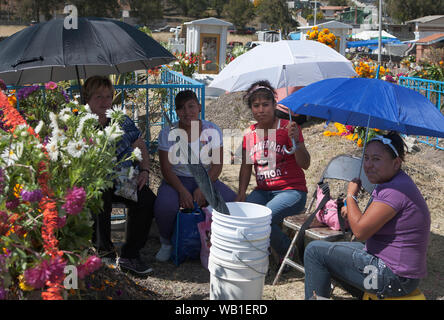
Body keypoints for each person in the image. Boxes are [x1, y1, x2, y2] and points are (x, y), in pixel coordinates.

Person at [304, 132, 431, 300]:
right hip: (390, 268)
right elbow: (368, 223)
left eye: (376, 159)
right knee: (330, 253)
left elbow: (361, 232)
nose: (368, 165)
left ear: (396, 163)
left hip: (394, 277)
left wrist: (351, 196)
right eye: (366, 158)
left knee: (315, 252)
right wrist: (352, 210)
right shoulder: (392, 182)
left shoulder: (395, 191)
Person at [83, 75, 156, 275]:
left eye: (108, 96)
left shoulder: (121, 120)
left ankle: (129, 256)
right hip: (94, 181)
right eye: (99, 97)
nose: (105, 102)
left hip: (124, 178)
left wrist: (144, 170)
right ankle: (104, 252)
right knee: (101, 190)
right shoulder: (81, 124)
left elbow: (139, 145)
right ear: (87, 99)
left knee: (147, 199)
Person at [154, 90, 236, 262]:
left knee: (231, 202)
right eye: (181, 108)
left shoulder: (212, 130)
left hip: (206, 178)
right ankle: (166, 242)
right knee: (165, 205)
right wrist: (182, 191)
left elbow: (217, 165)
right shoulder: (168, 132)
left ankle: (223, 242)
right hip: (176, 180)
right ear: (176, 112)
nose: (187, 111)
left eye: (191, 106)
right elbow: (166, 169)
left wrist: (203, 188)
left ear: (199, 107)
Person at [236, 80, 311, 261]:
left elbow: (306, 164)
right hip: (263, 191)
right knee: (244, 217)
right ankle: (262, 253)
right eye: (256, 105)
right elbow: (246, 167)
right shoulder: (250, 134)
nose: (261, 110)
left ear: (274, 105)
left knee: (262, 218)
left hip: (291, 191)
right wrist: (241, 194)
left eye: (265, 105)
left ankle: (288, 252)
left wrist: (296, 143)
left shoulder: (288, 128)